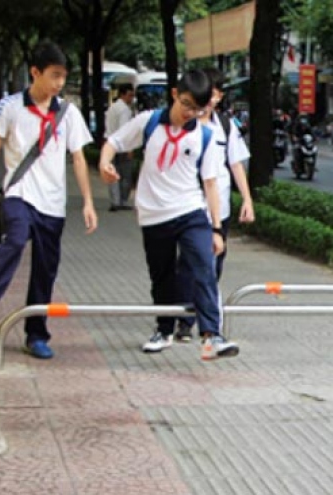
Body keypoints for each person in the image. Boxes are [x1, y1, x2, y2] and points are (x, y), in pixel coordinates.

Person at [0, 41, 98, 359]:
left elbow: (77, 158)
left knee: (46, 269)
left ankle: (36, 335)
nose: (59, 83)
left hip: (54, 203)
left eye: (63, 76)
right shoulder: (10, 107)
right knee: (15, 241)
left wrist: (88, 201)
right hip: (18, 194)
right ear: (35, 72)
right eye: (54, 75)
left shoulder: (68, 113)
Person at [98, 69, 239, 361]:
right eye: (186, 104)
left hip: (190, 211)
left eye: (198, 109)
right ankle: (163, 330)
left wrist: (215, 228)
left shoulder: (205, 136)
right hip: (153, 215)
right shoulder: (148, 122)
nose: (190, 112)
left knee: (203, 266)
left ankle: (212, 335)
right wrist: (104, 163)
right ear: (175, 94)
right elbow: (114, 142)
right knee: (161, 275)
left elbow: (210, 183)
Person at [175, 68, 255, 343]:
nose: (213, 98)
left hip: (219, 208)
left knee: (213, 266)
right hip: (191, 206)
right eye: (210, 92)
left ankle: (201, 312)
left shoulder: (225, 125)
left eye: (218, 93)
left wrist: (247, 199)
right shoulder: (186, 123)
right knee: (191, 264)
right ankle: (186, 320)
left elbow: (235, 163)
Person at [104, 83, 136, 211]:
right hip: (121, 145)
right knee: (125, 175)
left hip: (110, 143)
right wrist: (129, 148)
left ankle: (115, 201)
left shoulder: (112, 108)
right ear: (123, 94)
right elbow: (125, 130)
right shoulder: (124, 110)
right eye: (130, 95)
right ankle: (122, 200)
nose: (132, 98)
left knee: (113, 173)